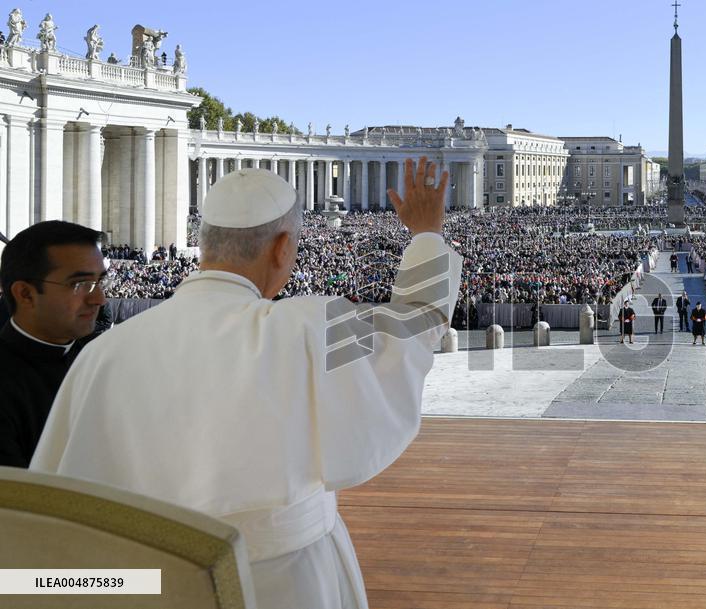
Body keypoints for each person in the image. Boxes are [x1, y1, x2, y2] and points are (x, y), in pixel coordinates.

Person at [31, 158, 462, 609]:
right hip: (289, 582)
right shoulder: (311, 325)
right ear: (281, 248)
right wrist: (426, 234)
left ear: (205, 244)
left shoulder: (102, 354)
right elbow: (419, 324)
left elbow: (56, 524)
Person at [0, 221, 108, 467]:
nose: (99, 299)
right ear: (25, 294)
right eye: (80, 284)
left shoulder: (101, 361)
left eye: (101, 282)